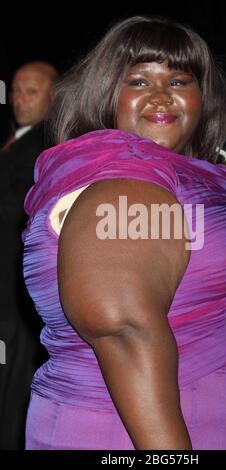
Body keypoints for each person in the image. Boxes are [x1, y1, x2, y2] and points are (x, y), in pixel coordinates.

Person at [22, 16, 226, 450]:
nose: (162, 95)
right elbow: (124, 330)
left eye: (180, 80)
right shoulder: (127, 178)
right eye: (140, 81)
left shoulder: (176, 174)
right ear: (107, 95)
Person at [0, 61, 57, 449]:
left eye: (31, 91)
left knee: (13, 382)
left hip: (16, 289)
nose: (19, 99)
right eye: (16, 90)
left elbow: (18, 207)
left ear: (52, 97)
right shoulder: (16, 139)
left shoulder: (45, 147)